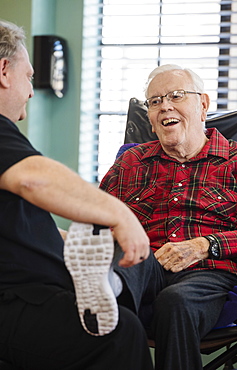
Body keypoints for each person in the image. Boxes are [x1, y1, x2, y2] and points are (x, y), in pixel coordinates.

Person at [99, 64, 237, 370]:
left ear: (203, 104)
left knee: (176, 302)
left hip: (209, 271)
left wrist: (204, 245)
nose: (165, 106)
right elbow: (98, 219)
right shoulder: (131, 162)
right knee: (117, 276)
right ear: (148, 116)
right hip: (144, 265)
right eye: (155, 101)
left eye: (176, 95)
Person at [0, 19, 154, 370]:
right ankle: (113, 286)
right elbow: (34, 179)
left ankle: (111, 283)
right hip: (12, 299)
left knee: (135, 284)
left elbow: (12, 222)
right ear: (4, 71)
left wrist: (62, 239)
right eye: (29, 77)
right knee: (118, 333)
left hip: (27, 288)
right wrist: (120, 215)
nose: (29, 91)